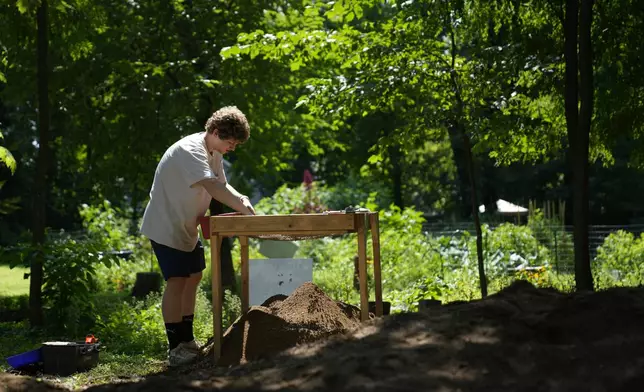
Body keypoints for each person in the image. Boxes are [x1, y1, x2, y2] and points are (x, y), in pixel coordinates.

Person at [140, 106, 256, 366]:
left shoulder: (214, 151)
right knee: (177, 280)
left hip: (188, 226)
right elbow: (213, 188)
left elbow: (222, 184)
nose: (232, 148)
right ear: (215, 132)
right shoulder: (190, 150)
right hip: (166, 225)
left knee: (193, 277)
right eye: (231, 142)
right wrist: (243, 209)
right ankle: (175, 348)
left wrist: (242, 199)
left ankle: (187, 339)